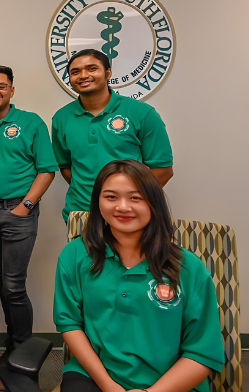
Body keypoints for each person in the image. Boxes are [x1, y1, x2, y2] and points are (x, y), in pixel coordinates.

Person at [53, 159, 224, 392]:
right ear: (98, 202)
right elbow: (69, 323)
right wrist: (108, 386)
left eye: (136, 198)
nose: (122, 207)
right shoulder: (75, 255)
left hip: (169, 383)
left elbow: (202, 351)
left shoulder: (188, 268)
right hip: (96, 376)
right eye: (111, 197)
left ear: (154, 203)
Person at [0, 66, 57, 390]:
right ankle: (12, 350)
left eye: (1, 86)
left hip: (18, 212)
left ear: (12, 91)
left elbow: (47, 170)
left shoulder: (30, 123)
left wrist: (26, 207)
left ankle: (20, 356)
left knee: (14, 286)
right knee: (2, 282)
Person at [52, 49, 174, 222]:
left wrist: (129, 201)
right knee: (80, 251)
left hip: (128, 214)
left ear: (108, 73)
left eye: (92, 68)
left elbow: (163, 169)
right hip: (81, 214)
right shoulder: (61, 118)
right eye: (75, 72)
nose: (83, 75)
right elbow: (65, 166)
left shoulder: (142, 113)